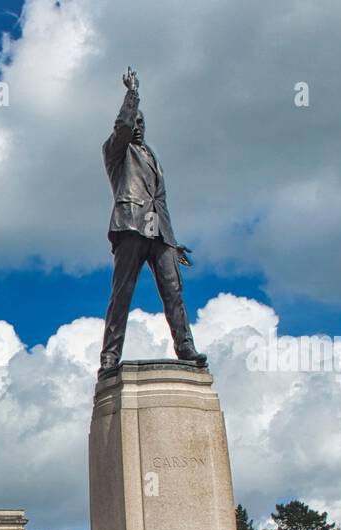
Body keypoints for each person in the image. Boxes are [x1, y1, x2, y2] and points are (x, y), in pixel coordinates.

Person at [99, 67, 205, 372]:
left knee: (174, 293)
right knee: (122, 294)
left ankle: (186, 349)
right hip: (130, 224)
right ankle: (109, 358)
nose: (138, 126)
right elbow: (122, 125)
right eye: (135, 121)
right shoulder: (116, 151)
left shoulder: (152, 157)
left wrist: (172, 241)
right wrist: (132, 95)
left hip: (159, 233)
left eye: (142, 122)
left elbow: (160, 201)